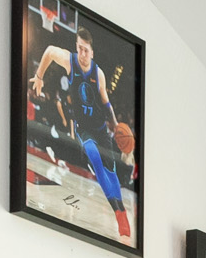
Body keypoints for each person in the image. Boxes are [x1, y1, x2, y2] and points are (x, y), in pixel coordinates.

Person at [26, 24, 129, 242]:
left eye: (86, 50)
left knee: (111, 172)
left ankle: (121, 210)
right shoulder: (69, 61)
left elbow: (106, 103)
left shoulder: (99, 74)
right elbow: (49, 51)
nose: (82, 53)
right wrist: (39, 76)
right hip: (84, 129)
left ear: (92, 52)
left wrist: (115, 124)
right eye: (79, 48)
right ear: (77, 47)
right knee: (95, 159)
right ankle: (119, 214)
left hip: (101, 129)